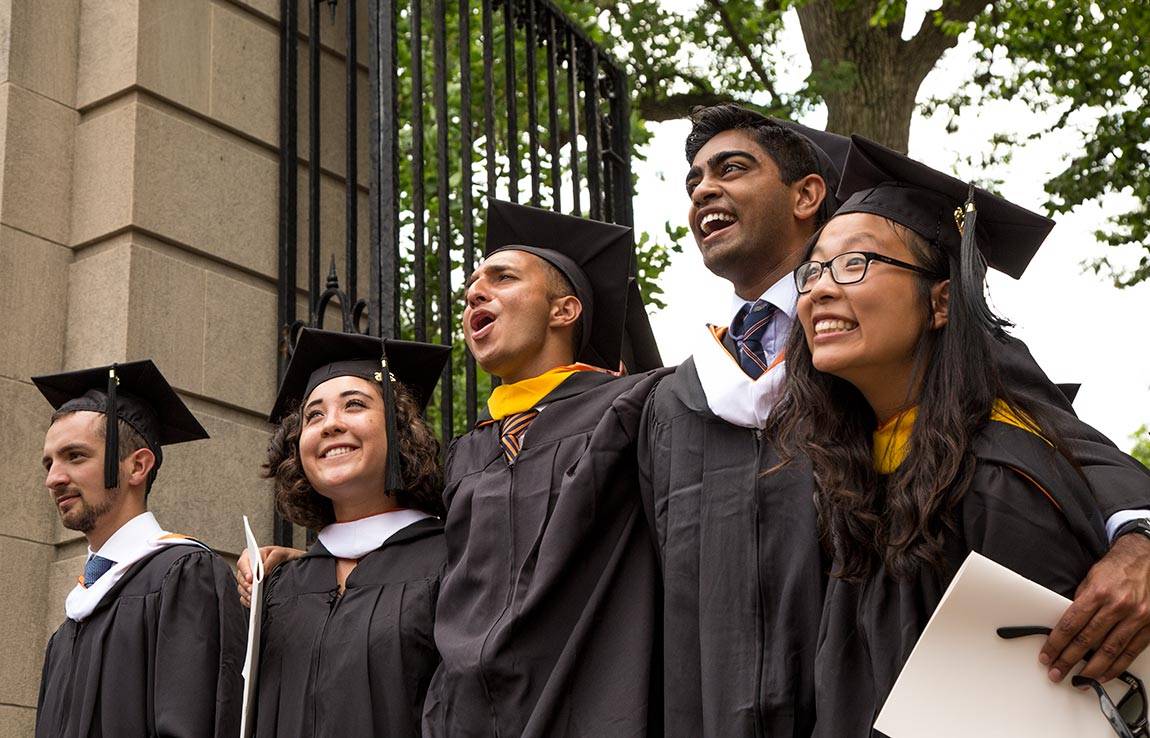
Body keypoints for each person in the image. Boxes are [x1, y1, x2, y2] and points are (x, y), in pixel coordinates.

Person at [640, 103, 1150, 735]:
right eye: (693, 180)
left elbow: (1063, 443)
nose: (703, 190)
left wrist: (1140, 537)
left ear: (807, 196)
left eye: (732, 168)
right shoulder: (678, 397)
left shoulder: (966, 403)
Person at [768, 134, 1117, 735]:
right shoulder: (863, 471)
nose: (820, 287)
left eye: (855, 263)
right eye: (814, 268)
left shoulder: (996, 480)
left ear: (942, 302)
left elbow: (1049, 712)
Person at [421, 200, 667, 737]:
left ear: (564, 310)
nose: (474, 293)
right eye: (471, 286)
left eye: (503, 278)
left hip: (593, 709)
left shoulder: (634, 410)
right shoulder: (468, 451)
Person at [250, 327, 450, 736]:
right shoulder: (280, 586)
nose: (330, 425)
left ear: (399, 428)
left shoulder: (451, 562)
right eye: (314, 415)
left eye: (354, 405)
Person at [34, 360, 245, 738]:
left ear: (137, 467)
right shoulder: (72, 621)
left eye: (75, 456)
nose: (54, 478)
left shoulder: (184, 576)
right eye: (49, 463)